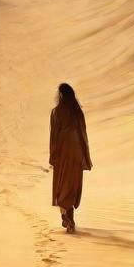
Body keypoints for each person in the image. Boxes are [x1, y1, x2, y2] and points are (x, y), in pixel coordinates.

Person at [49, 82, 92, 233]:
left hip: (63, 152)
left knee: (62, 186)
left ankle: (66, 218)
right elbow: (83, 135)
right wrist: (85, 156)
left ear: (61, 95)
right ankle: (69, 218)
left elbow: (54, 137)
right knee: (72, 185)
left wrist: (53, 157)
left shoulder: (57, 112)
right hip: (77, 153)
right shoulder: (77, 112)